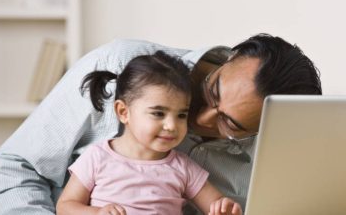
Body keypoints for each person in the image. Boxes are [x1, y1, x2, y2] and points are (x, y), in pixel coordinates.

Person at [0, 33, 322, 215]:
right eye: (213, 89)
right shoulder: (120, 65)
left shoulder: (277, 156)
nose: (198, 118)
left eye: (230, 125)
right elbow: (12, 168)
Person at [56, 51, 242, 215]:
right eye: (158, 113)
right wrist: (96, 213)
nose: (171, 125)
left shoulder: (183, 167)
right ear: (123, 112)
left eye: (181, 115)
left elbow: (217, 204)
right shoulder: (97, 157)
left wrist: (225, 209)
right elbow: (65, 206)